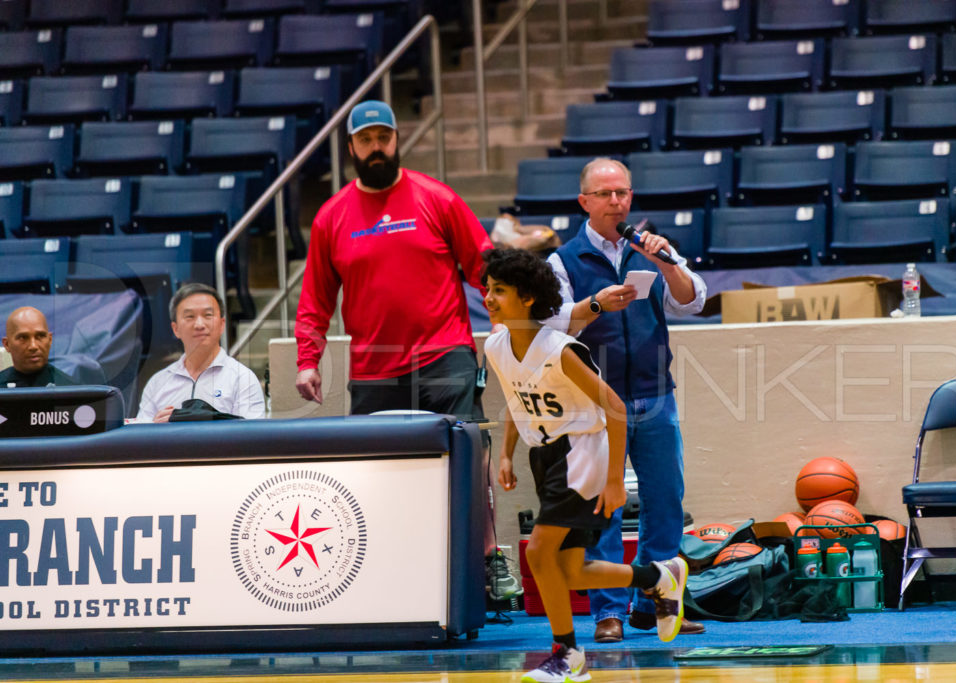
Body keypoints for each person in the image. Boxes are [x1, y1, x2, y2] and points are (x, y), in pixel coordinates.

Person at [293, 100, 520, 601]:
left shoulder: (436, 199)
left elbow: (484, 270)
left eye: (384, 138)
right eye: (366, 140)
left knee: (470, 458)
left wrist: (511, 329)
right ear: (351, 147)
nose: (377, 147)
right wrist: (307, 359)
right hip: (375, 370)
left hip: (445, 356)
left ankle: (488, 560)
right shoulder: (331, 218)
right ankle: (387, 570)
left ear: (397, 140)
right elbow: (315, 301)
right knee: (380, 473)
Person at [482, 247, 688, 682]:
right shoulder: (496, 344)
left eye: (499, 291)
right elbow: (517, 399)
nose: (489, 298)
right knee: (572, 570)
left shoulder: (559, 349)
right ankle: (659, 575)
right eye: (487, 289)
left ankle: (567, 655)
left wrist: (615, 480)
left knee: (539, 552)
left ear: (529, 298)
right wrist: (505, 452)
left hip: (581, 453)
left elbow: (613, 406)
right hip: (546, 455)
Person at [546, 157, 708, 643]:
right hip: (594, 402)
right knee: (603, 511)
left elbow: (694, 299)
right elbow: (554, 328)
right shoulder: (563, 260)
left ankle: (654, 603)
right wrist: (596, 305)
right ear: (585, 202)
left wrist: (665, 261)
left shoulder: (651, 249)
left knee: (665, 503)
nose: (616, 202)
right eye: (605, 194)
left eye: (622, 194)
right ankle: (608, 611)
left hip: (656, 395)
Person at [136, 283, 265, 422]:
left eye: (208, 315)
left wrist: (209, 418)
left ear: (222, 324)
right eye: (190, 316)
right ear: (175, 329)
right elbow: (139, 438)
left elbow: (251, 438)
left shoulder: (243, 379)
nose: (199, 325)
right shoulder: (157, 383)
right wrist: (154, 429)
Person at [0, 307, 75, 388]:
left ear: (50, 340)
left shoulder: (71, 391)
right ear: (7, 344)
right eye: (23, 338)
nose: (33, 346)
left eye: (40, 336)